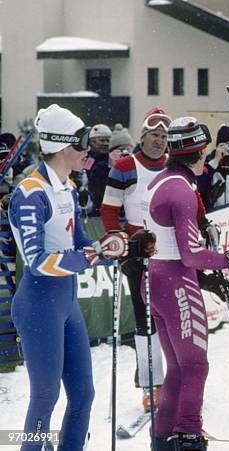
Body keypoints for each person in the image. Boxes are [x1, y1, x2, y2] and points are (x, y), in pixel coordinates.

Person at [9, 104, 128, 450]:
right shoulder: (31, 192)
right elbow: (36, 260)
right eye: (81, 144)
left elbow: (80, 243)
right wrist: (88, 257)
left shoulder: (68, 187)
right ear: (62, 146)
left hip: (66, 301)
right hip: (38, 303)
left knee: (83, 394)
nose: (87, 151)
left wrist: (105, 248)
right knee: (45, 398)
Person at [143, 117, 229, 451]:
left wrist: (206, 276)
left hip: (155, 279)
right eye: (203, 153)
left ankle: (164, 439)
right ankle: (188, 435)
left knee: (179, 369)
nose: (205, 161)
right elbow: (192, 254)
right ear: (196, 153)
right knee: (195, 365)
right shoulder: (180, 189)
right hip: (174, 281)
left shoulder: (161, 181)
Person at [100, 107, 171, 411]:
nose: (159, 141)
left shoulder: (173, 166)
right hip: (137, 253)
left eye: (164, 136)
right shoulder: (126, 166)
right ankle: (150, 384)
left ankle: (174, 380)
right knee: (145, 320)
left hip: (170, 254)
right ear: (143, 136)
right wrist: (119, 240)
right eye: (154, 135)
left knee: (170, 320)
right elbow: (108, 209)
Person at [88, 124, 135, 215]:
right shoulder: (96, 165)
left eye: (128, 150)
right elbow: (98, 195)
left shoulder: (135, 168)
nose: (105, 143)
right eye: (102, 140)